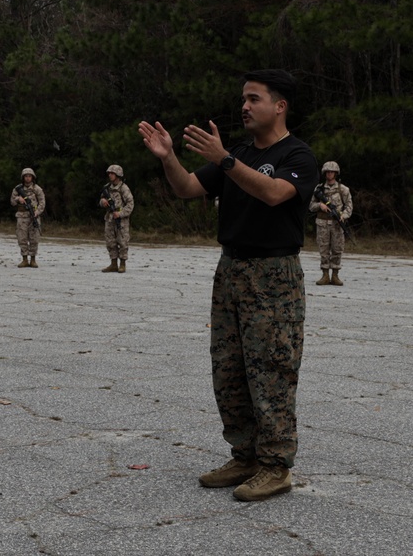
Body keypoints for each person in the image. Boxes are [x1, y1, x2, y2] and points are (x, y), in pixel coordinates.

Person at [139, 69, 318, 502]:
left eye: (254, 99)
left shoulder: (298, 155)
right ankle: (245, 456)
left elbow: (275, 194)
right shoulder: (236, 152)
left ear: (279, 106)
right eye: (243, 99)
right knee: (230, 369)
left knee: (271, 371)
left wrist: (225, 160)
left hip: (273, 274)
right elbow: (186, 188)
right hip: (231, 271)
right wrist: (168, 157)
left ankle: (276, 465)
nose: (244, 106)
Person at [309, 161, 353, 286]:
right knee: (323, 250)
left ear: (336, 173)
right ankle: (325, 275)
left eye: (332, 172)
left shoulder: (343, 189)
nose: (330, 174)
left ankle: (335, 275)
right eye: (328, 172)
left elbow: (349, 206)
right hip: (322, 223)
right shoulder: (319, 189)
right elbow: (311, 206)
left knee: (337, 249)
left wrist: (343, 216)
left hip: (337, 224)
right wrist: (320, 205)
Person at [99, 164, 134, 273]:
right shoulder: (107, 188)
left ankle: (122, 264)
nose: (110, 175)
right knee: (110, 241)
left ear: (118, 175)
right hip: (109, 217)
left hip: (121, 219)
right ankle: (113, 264)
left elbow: (130, 204)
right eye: (109, 173)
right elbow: (101, 199)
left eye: (112, 173)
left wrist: (121, 214)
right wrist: (103, 202)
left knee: (123, 241)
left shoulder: (123, 188)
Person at [10, 168, 46, 267]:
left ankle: (33, 259)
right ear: (23, 177)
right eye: (26, 176)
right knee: (22, 238)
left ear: (33, 177)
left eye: (29, 176)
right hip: (22, 216)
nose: (28, 178)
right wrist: (18, 199)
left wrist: (37, 212)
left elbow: (42, 202)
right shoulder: (17, 189)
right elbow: (12, 202)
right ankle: (24, 259)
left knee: (34, 238)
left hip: (33, 216)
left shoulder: (37, 189)